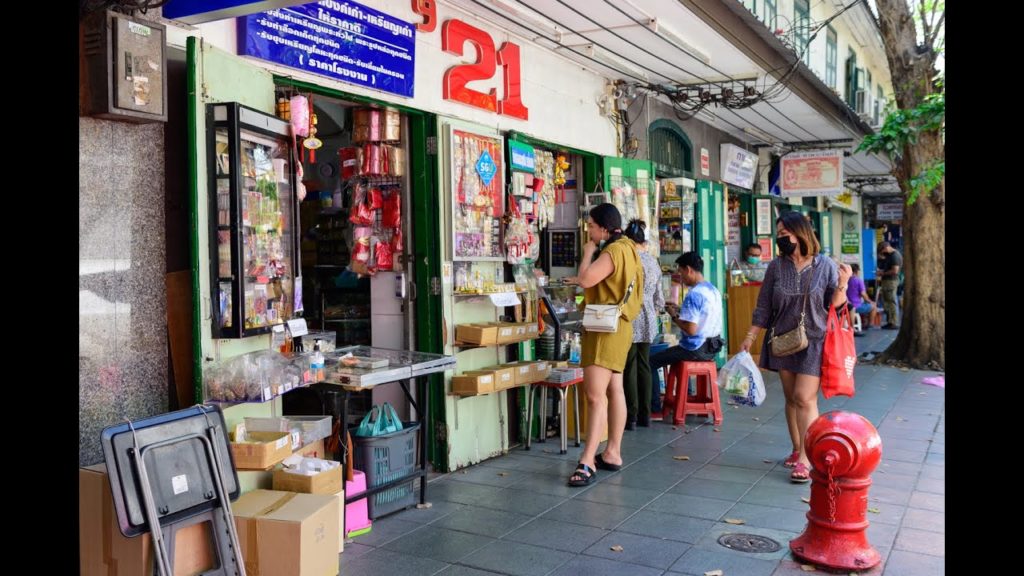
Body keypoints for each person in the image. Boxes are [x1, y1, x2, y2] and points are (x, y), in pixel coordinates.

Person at [741, 211, 851, 483]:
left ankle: (807, 458)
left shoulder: (824, 265)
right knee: (791, 399)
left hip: (814, 340)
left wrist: (844, 284)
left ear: (800, 233)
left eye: (784, 234)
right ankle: (796, 448)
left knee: (804, 397)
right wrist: (750, 337)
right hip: (782, 340)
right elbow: (764, 305)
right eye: (778, 235)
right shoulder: (776, 267)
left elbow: (835, 306)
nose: (780, 240)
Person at [562, 203, 642, 487]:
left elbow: (586, 279)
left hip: (603, 329)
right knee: (614, 388)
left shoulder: (613, 250)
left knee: (595, 395)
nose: (590, 232)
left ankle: (586, 462)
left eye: (592, 227)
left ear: (604, 228)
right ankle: (612, 452)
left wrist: (587, 254)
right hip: (620, 326)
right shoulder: (631, 249)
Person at [648, 252, 725, 418]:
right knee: (673, 355)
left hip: (695, 348)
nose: (681, 278)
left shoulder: (694, 294)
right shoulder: (712, 290)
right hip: (712, 346)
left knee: (650, 361)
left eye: (681, 273)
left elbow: (691, 330)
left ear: (689, 270)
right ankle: (686, 397)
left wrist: (673, 315)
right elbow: (703, 318)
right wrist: (680, 309)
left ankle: (654, 409)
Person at [621, 219, 665, 430]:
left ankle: (631, 416)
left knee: (629, 366)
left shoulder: (627, 259)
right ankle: (646, 416)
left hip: (629, 315)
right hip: (648, 316)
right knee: (644, 364)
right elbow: (659, 298)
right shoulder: (652, 262)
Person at [876, 241, 902, 329]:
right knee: (887, 301)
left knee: (891, 301)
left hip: (891, 281)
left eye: (882, 251)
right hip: (887, 281)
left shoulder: (895, 256)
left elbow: (895, 270)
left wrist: (883, 273)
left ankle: (893, 322)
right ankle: (889, 321)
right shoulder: (890, 255)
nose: (883, 253)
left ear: (886, 248)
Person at [846, 263, 877, 336]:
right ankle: (870, 325)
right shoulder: (859, 281)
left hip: (847, 306)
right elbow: (863, 294)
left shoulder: (847, 280)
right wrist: (871, 302)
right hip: (857, 306)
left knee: (866, 305)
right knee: (873, 307)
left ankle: (864, 323)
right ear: (857, 271)